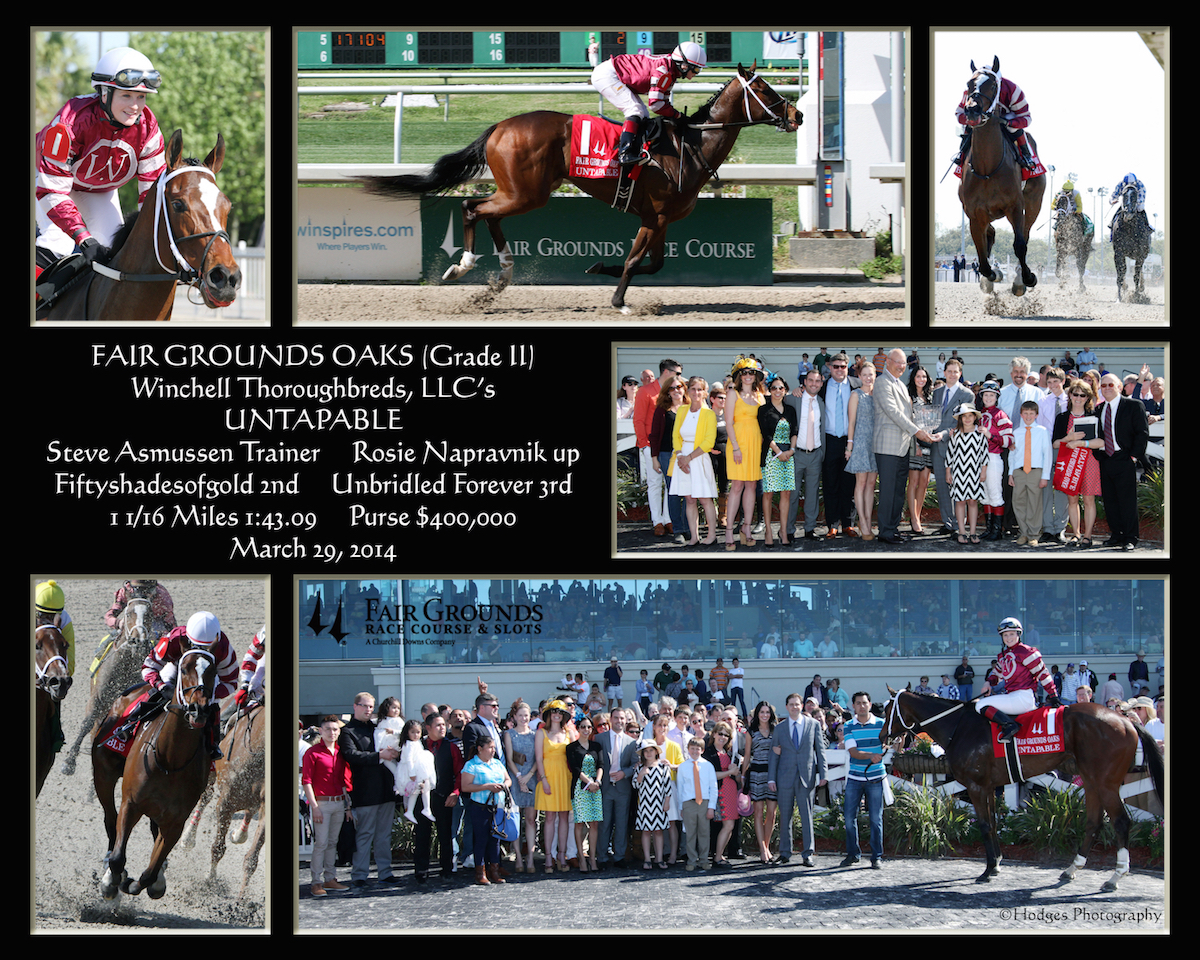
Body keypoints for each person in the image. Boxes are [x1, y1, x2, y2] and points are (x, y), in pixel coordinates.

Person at [35, 47, 166, 289]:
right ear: (104, 93)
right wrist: (83, 239)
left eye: (141, 97)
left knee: (113, 250)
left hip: (98, 191)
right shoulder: (70, 123)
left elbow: (151, 195)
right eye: (127, 96)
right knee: (59, 243)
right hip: (49, 186)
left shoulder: (149, 129)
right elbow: (51, 190)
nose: (136, 106)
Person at [120, 610, 238, 759]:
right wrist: (162, 687)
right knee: (161, 685)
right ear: (188, 640)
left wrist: (209, 694)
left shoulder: (224, 648)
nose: (201, 651)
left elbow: (231, 683)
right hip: (178, 665)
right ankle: (130, 724)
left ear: (216, 641)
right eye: (196, 646)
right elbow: (149, 667)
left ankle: (213, 744)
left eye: (206, 648)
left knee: (212, 702)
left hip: (206, 674)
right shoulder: (174, 638)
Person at [590, 41, 707, 169]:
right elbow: (655, 105)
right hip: (608, 75)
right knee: (635, 110)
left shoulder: (671, 70)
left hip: (614, 72)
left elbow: (664, 102)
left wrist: (675, 116)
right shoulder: (664, 71)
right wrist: (678, 116)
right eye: (696, 69)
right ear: (684, 65)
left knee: (643, 114)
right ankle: (624, 153)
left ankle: (637, 148)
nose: (697, 73)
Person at [873, 348, 938, 543]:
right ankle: (885, 532)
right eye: (898, 362)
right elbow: (894, 413)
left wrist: (919, 436)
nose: (901, 366)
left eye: (904, 364)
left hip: (903, 447)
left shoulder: (900, 384)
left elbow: (909, 416)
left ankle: (893, 528)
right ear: (888, 362)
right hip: (887, 446)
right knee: (888, 491)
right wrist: (918, 432)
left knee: (898, 490)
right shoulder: (882, 383)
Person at [1085, 374, 1150, 550]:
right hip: (1106, 459)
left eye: (1110, 384)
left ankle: (1130, 538)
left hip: (1125, 458)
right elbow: (1094, 435)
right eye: (1103, 385)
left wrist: (1133, 457)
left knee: (1127, 501)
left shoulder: (1134, 406)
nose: (1106, 388)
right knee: (1110, 500)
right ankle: (1116, 534)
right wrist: (1099, 456)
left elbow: (1142, 433)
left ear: (1119, 387)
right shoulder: (1098, 410)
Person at [767, 692, 828, 865]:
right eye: (791, 704)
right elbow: (774, 756)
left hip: (806, 777)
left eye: (797, 704)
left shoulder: (813, 724)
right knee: (785, 817)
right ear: (786, 707)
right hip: (784, 778)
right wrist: (771, 779)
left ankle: (808, 853)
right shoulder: (779, 728)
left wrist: (823, 774)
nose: (794, 707)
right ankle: (785, 853)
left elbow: (820, 751)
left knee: (806, 816)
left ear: (802, 706)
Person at [975, 617, 1059, 742]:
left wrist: (1053, 695)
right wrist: (988, 683)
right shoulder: (1003, 656)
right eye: (1005, 635)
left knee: (980, 705)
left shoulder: (1026, 652)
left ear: (1018, 634)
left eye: (1012, 634)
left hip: (1023, 697)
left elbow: (1043, 673)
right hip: (1012, 697)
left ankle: (1010, 726)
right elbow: (996, 674)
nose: (1008, 638)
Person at [953, 56, 1037, 171]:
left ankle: (1027, 157)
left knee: (1013, 128)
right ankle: (961, 155)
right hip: (981, 119)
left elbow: (1026, 119)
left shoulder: (1012, 89)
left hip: (1005, 119)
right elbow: (959, 113)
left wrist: (1008, 122)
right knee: (969, 125)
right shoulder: (970, 91)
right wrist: (969, 119)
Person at [301, 715, 350, 897]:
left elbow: (343, 780)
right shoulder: (312, 753)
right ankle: (316, 882)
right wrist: (314, 807)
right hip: (321, 803)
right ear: (320, 731)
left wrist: (348, 806)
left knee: (332, 843)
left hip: (338, 803)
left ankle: (330, 878)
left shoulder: (340, 753)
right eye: (328, 729)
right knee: (321, 843)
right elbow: (306, 781)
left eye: (335, 729)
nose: (332, 732)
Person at [412, 713, 462, 884]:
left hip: (444, 797)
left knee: (445, 834)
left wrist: (455, 792)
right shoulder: (417, 746)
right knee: (422, 834)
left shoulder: (451, 747)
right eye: (438, 725)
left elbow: (459, 773)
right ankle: (421, 870)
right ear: (428, 728)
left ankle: (446, 868)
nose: (443, 728)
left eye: (443, 725)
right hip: (421, 797)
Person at [669, 376, 720, 546]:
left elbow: (708, 441)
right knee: (689, 499)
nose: (696, 392)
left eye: (700, 389)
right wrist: (680, 456)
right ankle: (694, 536)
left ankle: (711, 535)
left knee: (705, 499)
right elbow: (676, 435)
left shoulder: (708, 414)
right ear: (688, 390)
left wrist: (689, 458)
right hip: (682, 459)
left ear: (705, 392)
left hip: (698, 459)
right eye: (693, 388)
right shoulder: (682, 411)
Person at [1053, 377, 1102, 546]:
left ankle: (1087, 536)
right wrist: (1069, 438)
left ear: (1088, 398)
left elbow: (1101, 442)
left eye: (1083, 395)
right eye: (1076, 394)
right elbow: (1055, 443)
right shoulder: (1062, 418)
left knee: (1088, 500)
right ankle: (1076, 534)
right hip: (1069, 463)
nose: (1079, 398)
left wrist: (1080, 443)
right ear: (1070, 395)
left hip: (1089, 462)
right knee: (1072, 500)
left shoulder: (1094, 416)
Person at [840, 692, 886, 869]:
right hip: (854, 777)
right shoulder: (849, 726)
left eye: (864, 703)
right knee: (849, 818)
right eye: (858, 703)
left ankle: (877, 856)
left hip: (875, 777)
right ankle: (853, 854)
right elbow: (853, 752)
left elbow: (894, 744)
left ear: (870, 704)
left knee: (876, 818)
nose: (861, 706)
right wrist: (872, 755)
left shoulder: (882, 724)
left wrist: (900, 739)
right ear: (853, 706)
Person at [931, 358, 976, 534]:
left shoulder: (967, 395)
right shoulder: (937, 392)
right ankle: (948, 523)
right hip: (936, 446)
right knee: (942, 486)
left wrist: (943, 434)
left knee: (958, 487)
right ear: (944, 373)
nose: (952, 374)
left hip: (958, 447)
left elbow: (966, 422)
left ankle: (960, 526)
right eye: (949, 371)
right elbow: (933, 418)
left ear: (960, 373)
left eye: (955, 372)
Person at [460, 734, 512, 884]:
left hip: (497, 806)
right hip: (480, 807)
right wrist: (487, 787)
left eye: (494, 747)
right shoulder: (471, 765)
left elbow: (507, 779)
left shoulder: (497, 763)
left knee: (495, 839)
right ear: (480, 749)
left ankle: (494, 870)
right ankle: (480, 872)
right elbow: (466, 786)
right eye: (490, 747)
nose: (493, 751)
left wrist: (503, 786)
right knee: (481, 839)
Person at [819, 353, 861, 538]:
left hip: (850, 440)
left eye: (842, 366)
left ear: (848, 366)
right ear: (829, 367)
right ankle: (833, 524)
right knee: (830, 484)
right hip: (829, 441)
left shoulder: (857, 385)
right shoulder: (822, 386)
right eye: (835, 366)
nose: (839, 370)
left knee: (849, 483)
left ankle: (848, 524)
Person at [725, 357, 765, 550]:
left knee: (752, 486)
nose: (748, 376)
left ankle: (746, 528)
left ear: (756, 376)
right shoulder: (732, 394)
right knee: (737, 486)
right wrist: (735, 447)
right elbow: (728, 423)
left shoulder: (760, 395)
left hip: (756, 444)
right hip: (738, 444)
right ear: (739, 376)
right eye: (745, 373)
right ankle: (729, 531)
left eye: (751, 373)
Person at [633, 361, 675, 536]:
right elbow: (639, 419)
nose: (678, 376)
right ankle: (657, 521)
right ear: (666, 371)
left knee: (670, 484)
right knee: (655, 484)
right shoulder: (645, 391)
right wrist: (644, 444)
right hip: (651, 445)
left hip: (670, 446)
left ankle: (668, 519)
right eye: (677, 373)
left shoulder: (673, 390)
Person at [784, 368, 825, 542]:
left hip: (815, 454)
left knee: (812, 494)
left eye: (817, 381)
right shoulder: (793, 399)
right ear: (804, 382)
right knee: (792, 495)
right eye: (811, 380)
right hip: (796, 454)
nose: (814, 384)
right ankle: (788, 530)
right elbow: (778, 400)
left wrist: (821, 452)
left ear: (821, 384)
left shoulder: (821, 402)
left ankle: (809, 529)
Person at [758, 376, 799, 546]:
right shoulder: (763, 410)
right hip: (771, 455)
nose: (777, 391)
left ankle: (783, 531)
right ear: (769, 390)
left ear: (785, 390)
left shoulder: (790, 409)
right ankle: (768, 530)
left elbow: (795, 431)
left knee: (786, 493)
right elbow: (765, 434)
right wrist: (779, 452)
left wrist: (791, 450)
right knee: (768, 493)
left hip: (788, 455)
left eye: (780, 388)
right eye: (773, 388)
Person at [534, 699, 573, 872]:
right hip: (548, 777)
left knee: (564, 817)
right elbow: (539, 758)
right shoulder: (541, 733)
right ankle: (548, 857)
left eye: (560, 713)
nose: (557, 715)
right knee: (549, 817)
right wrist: (543, 779)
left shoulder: (569, 734)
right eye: (554, 712)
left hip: (566, 778)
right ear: (549, 715)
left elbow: (573, 758)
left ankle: (561, 855)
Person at [650, 373, 689, 542]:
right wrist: (654, 457)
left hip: (688, 454)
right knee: (673, 491)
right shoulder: (661, 410)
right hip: (667, 455)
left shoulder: (691, 407)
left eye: (678, 387)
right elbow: (655, 434)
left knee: (689, 491)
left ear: (684, 389)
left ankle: (688, 527)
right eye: (672, 388)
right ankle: (678, 529)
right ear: (667, 391)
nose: (675, 391)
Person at [1009, 400, 1053, 545]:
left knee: (1034, 503)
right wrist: (1011, 473)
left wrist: (1045, 476)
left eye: (1031, 414)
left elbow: (1047, 454)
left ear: (1036, 415)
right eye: (1025, 413)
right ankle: (1023, 532)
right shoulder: (1017, 432)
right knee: (1018, 502)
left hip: (1035, 471)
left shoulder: (1042, 431)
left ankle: (1034, 534)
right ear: (1021, 414)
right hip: (1019, 471)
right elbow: (1013, 454)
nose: (1028, 416)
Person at [597, 706, 636, 868]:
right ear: (610, 719)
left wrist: (624, 773)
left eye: (622, 718)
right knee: (604, 824)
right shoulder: (600, 739)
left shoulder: (631, 742)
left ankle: (619, 856)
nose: (619, 721)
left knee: (621, 823)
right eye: (616, 718)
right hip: (605, 787)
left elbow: (635, 764)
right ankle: (602, 857)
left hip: (623, 787)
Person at [844, 361, 879, 540]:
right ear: (859, 376)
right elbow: (851, 422)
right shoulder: (855, 395)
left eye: (870, 374)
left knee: (871, 485)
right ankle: (863, 521)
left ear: (875, 375)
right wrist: (849, 446)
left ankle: (867, 518)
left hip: (876, 444)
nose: (867, 378)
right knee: (862, 483)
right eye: (864, 374)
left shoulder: (879, 395)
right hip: (860, 442)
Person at [946, 402, 988, 544]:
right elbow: (950, 454)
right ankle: (962, 532)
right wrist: (948, 472)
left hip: (975, 473)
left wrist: (983, 472)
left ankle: (973, 532)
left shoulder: (980, 433)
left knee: (972, 501)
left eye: (970, 416)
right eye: (964, 416)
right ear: (960, 418)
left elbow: (984, 455)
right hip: (958, 473)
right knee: (960, 501)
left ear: (975, 417)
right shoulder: (956, 434)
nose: (967, 419)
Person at [567, 715, 605, 872]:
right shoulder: (571, 747)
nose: (586, 730)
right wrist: (588, 783)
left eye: (589, 727)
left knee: (595, 823)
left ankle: (593, 858)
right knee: (580, 823)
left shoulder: (596, 746)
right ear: (578, 728)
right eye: (583, 727)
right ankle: (581, 859)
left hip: (595, 788)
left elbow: (601, 765)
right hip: (580, 788)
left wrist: (597, 782)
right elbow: (575, 768)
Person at [977, 381, 1014, 541]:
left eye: (992, 395)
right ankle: (989, 528)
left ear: (997, 397)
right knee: (984, 495)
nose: (988, 397)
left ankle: (997, 530)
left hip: (993, 457)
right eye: (986, 394)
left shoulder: (1001, 415)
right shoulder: (978, 414)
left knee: (995, 493)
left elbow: (1009, 440)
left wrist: (990, 436)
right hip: (978, 459)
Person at [906, 366, 940, 535]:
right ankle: (913, 518)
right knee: (913, 481)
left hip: (929, 444)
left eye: (924, 377)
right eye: (918, 376)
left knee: (924, 483)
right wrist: (916, 444)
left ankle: (917, 516)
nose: (921, 379)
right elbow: (908, 422)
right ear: (913, 378)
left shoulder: (930, 397)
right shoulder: (909, 397)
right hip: (916, 444)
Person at [676, 735, 718, 871]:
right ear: (688, 749)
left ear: (702, 750)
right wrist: (681, 807)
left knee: (704, 832)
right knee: (690, 833)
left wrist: (711, 807)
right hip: (689, 803)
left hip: (704, 803)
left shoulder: (708, 766)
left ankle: (704, 859)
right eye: (692, 748)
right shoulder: (683, 767)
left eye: (698, 749)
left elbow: (713, 787)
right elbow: (680, 788)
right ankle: (692, 860)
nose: (695, 751)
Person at [705, 721, 742, 868]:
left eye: (726, 735)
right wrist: (729, 772)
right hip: (720, 792)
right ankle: (718, 857)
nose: (723, 737)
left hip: (731, 791)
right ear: (713, 734)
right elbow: (709, 775)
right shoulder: (708, 753)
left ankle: (719, 855)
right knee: (728, 825)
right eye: (720, 733)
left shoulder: (729, 753)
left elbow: (736, 776)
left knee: (730, 826)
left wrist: (738, 772)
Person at [633, 740, 672, 869]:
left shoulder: (663, 767)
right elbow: (635, 785)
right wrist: (640, 775)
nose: (648, 753)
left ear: (656, 751)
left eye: (651, 750)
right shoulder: (639, 768)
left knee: (658, 831)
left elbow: (668, 787)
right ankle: (647, 859)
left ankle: (659, 858)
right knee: (645, 831)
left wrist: (667, 802)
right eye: (646, 751)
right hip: (644, 805)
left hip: (659, 804)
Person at [35, 580, 78, 678]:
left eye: (53, 616)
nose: (48, 621)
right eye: (42, 615)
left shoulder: (65, 620)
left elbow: (70, 664)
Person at [1108, 172, 1152, 239]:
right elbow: (1114, 195)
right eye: (1127, 184)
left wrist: (1136, 202)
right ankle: (1112, 225)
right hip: (1125, 203)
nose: (1129, 185)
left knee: (1141, 208)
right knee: (1118, 213)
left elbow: (1142, 198)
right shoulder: (1120, 184)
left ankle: (1147, 226)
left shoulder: (1140, 185)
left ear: (1134, 182)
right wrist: (1113, 201)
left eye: (1131, 184)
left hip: (1136, 203)